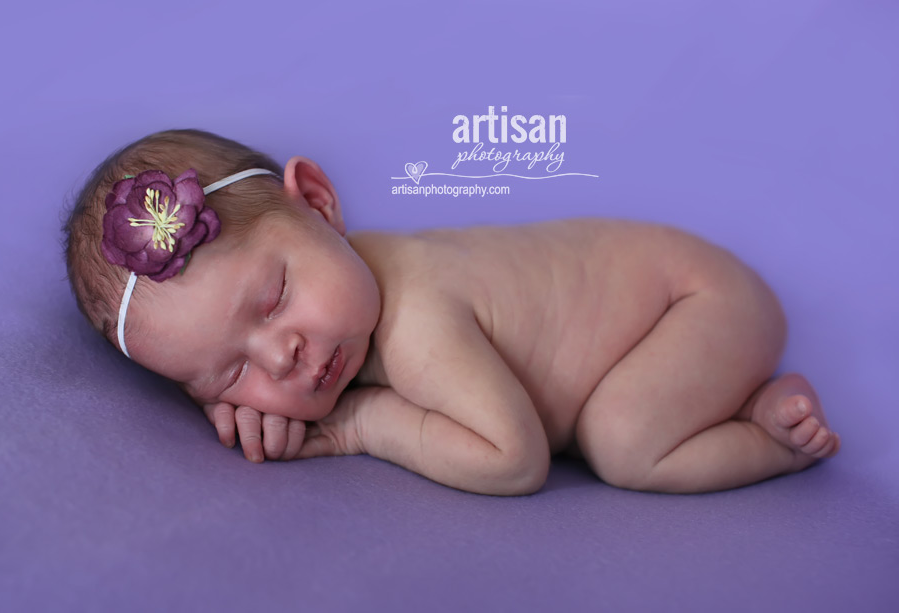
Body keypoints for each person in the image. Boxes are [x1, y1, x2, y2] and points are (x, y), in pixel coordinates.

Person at [62, 128, 841, 496]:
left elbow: (514, 458)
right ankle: (735, 395)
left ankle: (767, 439)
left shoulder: (416, 318)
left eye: (273, 298)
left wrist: (355, 425)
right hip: (666, 315)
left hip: (694, 301)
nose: (281, 357)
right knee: (624, 414)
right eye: (226, 372)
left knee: (623, 441)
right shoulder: (348, 289)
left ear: (322, 204)